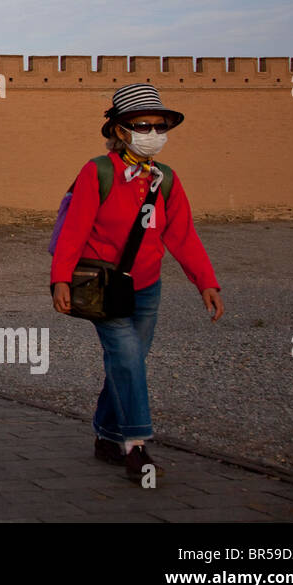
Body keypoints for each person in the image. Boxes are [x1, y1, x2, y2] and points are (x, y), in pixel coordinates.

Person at [50, 82, 224, 483]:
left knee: (129, 364)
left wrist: (206, 283)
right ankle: (137, 448)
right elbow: (74, 230)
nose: (153, 133)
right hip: (102, 286)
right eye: (143, 125)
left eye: (159, 125)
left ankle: (107, 436)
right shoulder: (98, 171)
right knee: (127, 360)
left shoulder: (165, 178)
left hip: (147, 286)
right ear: (120, 130)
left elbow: (182, 235)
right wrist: (60, 278)